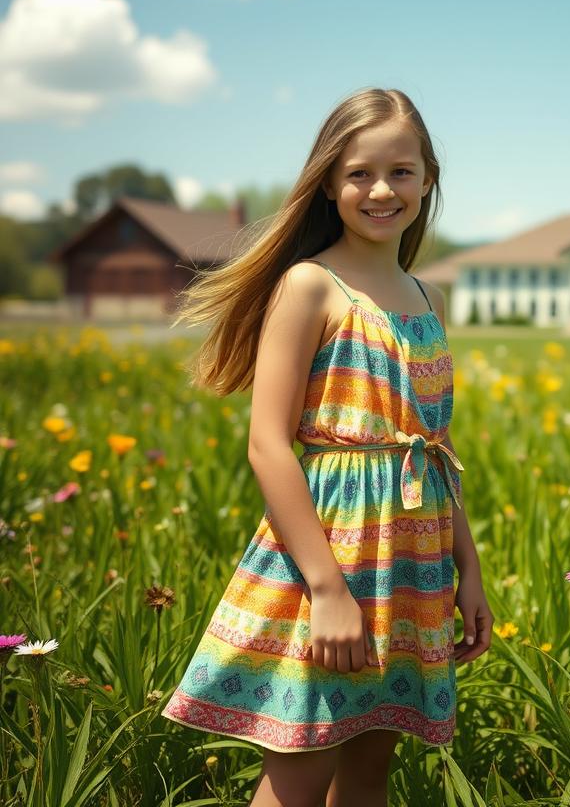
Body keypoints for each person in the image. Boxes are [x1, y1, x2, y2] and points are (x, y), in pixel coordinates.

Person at [160, 87, 493, 807]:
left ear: (428, 176)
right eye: (359, 174)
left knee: (371, 771)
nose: (381, 189)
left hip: (412, 563)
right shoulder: (310, 286)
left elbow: (435, 449)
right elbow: (267, 447)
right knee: (303, 768)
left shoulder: (426, 298)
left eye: (401, 171)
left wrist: (468, 565)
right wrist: (327, 590)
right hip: (333, 560)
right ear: (329, 184)